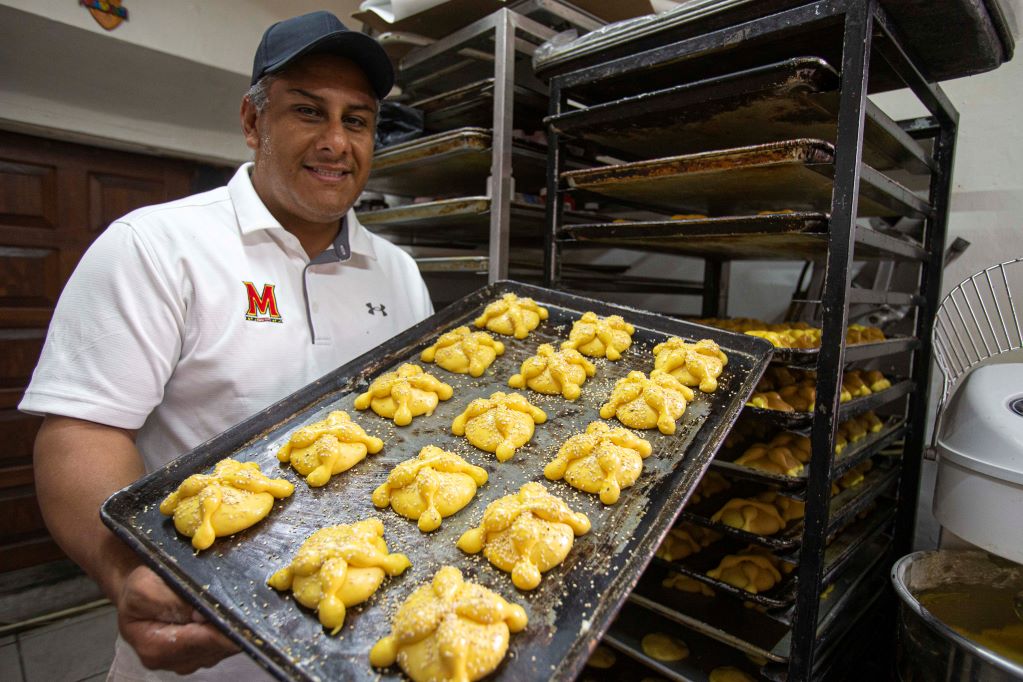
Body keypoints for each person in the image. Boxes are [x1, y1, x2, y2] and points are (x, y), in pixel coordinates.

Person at [19, 11, 432, 681]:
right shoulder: (156, 248)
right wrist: (128, 571)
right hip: (206, 637)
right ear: (252, 122)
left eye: (356, 121)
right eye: (308, 111)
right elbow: (78, 433)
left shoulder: (399, 273)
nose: (336, 142)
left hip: (360, 632)